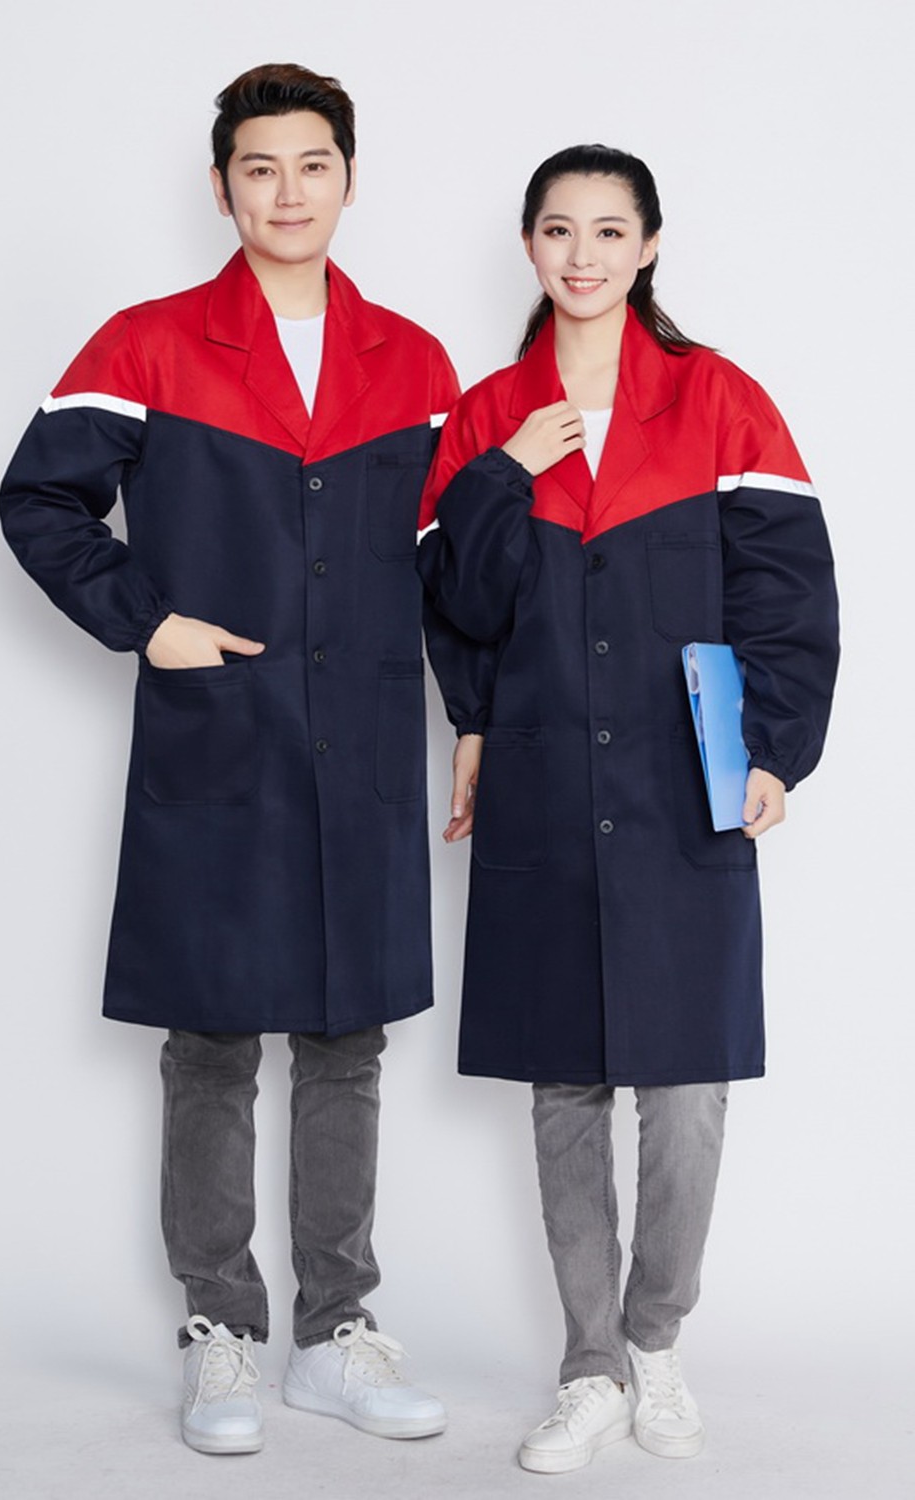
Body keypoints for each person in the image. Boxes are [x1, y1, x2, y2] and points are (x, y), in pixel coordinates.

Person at [0, 63, 458, 1456]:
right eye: (260, 167)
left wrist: (481, 720)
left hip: (361, 743)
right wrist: (147, 622)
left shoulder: (415, 364)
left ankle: (334, 1333)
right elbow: (39, 498)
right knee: (210, 1042)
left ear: (349, 179)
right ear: (221, 186)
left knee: (347, 1037)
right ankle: (222, 1331)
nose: (287, 191)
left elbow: (453, 569)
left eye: (312, 164)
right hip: (222, 742)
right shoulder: (149, 346)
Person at [418, 144, 838, 1473]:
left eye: (610, 230)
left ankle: (656, 1341)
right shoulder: (488, 414)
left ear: (650, 244)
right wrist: (503, 473)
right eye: (560, 230)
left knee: (688, 1085)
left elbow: (787, 592)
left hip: (680, 781)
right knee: (566, 1082)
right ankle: (588, 1364)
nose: (584, 254)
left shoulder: (721, 401)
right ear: (530, 247)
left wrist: (773, 750)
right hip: (543, 778)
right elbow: (459, 606)